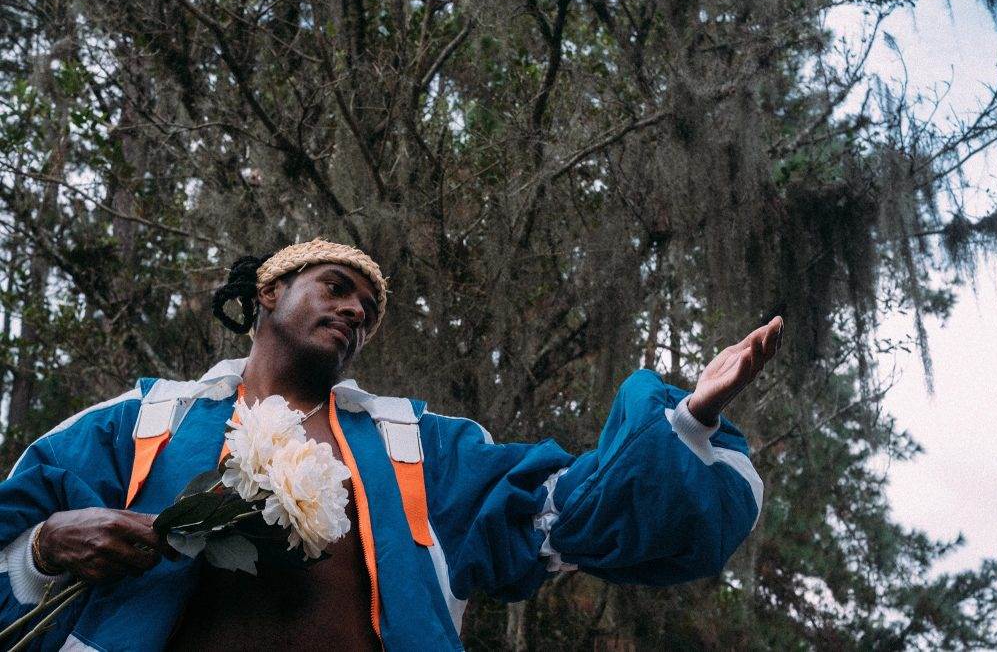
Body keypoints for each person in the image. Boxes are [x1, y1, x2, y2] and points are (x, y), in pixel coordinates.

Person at [0, 238, 781, 651]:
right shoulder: (143, 420)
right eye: (336, 287)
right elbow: (14, 537)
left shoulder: (418, 445)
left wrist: (688, 420)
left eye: (368, 310)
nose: (355, 311)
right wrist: (42, 548)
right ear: (270, 291)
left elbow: (558, 513)